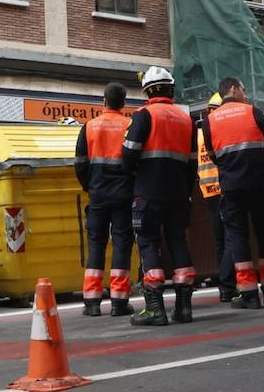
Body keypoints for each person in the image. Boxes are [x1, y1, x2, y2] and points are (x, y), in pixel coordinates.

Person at [121, 66, 197, 326]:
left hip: (148, 193)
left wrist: (133, 173)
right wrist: (186, 193)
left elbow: (128, 155)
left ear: (147, 92)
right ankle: (184, 308)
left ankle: (155, 309)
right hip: (178, 194)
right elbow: (192, 164)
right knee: (178, 243)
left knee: (148, 243)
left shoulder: (143, 115)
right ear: (171, 89)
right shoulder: (186, 119)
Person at [203, 77, 264, 309]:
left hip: (231, 186)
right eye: (243, 89)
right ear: (233, 89)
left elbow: (213, 154)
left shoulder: (209, 121)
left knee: (237, 237)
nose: (245, 94)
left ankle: (248, 295)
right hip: (258, 183)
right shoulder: (253, 112)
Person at [74, 83, 137, 317]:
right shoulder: (130, 125)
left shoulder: (89, 126)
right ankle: (119, 302)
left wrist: (89, 186)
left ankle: (91, 302)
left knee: (96, 244)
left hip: (98, 194)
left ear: (104, 101)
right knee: (121, 243)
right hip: (123, 195)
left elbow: (80, 163)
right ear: (123, 103)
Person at [197, 93, 233, 302]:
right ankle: (228, 284)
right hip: (224, 189)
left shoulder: (200, 133)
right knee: (231, 238)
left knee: (220, 241)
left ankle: (224, 287)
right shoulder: (221, 129)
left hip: (208, 192)